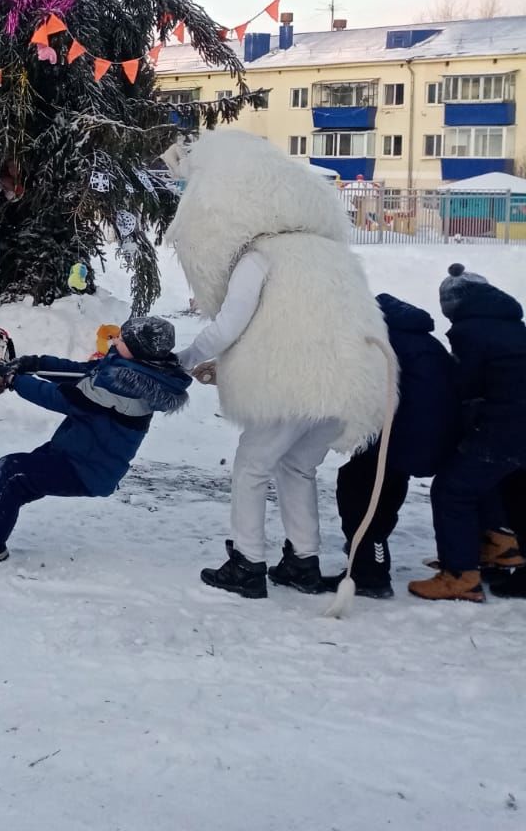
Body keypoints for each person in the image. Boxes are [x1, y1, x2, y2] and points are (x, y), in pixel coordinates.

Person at [170, 131, 392, 601]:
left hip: (292, 385)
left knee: (252, 466)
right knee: (297, 467)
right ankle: (303, 563)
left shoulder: (262, 255)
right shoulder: (332, 254)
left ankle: (247, 563)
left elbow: (229, 325)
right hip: (346, 386)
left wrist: (183, 359)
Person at [0, 319, 190, 559]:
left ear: (138, 351)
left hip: (89, 469)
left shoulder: (127, 388)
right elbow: (79, 372)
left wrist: (12, 380)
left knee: (11, 471)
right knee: (1, 483)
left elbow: (64, 398)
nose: (115, 342)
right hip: (72, 450)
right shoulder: (125, 368)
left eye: (122, 340)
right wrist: (31, 363)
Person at [324, 293, 460, 599]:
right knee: (385, 483)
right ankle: (369, 549)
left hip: (407, 436)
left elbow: (363, 390)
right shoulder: (417, 337)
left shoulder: (380, 341)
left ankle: (369, 571)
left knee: (358, 487)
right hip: (433, 436)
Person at [409, 265, 526, 601]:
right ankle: (499, 547)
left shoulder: (470, 331)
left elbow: (464, 386)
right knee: (479, 480)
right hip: (514, 424)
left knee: (451, 490)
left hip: (506, 426)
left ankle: (460, 575)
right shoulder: (509, 324)